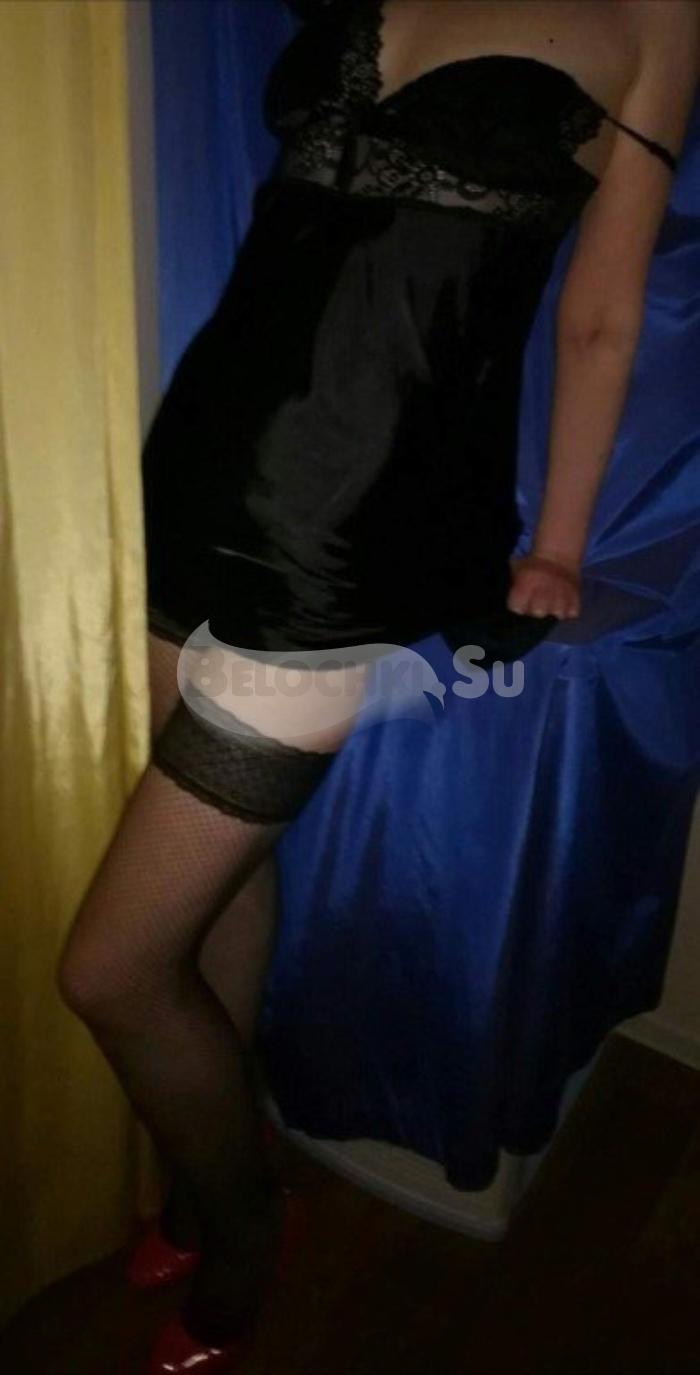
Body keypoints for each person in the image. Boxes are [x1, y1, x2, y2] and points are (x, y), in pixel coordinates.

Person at [56, 1, 699, 1370]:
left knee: (111, 970)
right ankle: (208, 1179)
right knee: (224, 885)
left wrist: (559, 544)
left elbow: (600, 314)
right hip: (200, 471)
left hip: (351, 537)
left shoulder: (651, 16)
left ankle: (246, 1222)